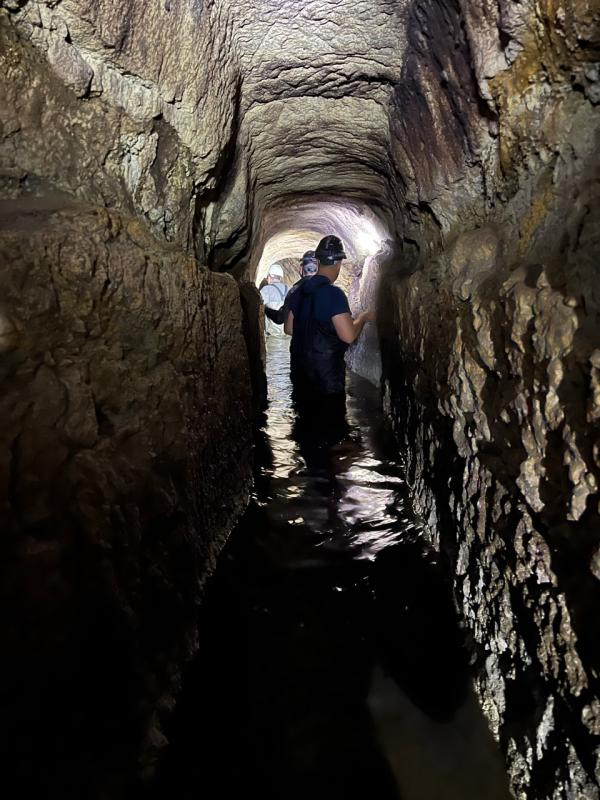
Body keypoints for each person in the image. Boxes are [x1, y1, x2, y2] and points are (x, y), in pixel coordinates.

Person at [284, 235, 373, 408]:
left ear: (317, 261)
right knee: (330, 430)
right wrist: (363, 318)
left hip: (300, 377)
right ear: (339, 263)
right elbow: (348, 336)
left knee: (303, 428)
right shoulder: (334, 294)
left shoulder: (298, 291)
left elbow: (288, 329)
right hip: (326, 381)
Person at [265, 250, 318, 327]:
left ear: (301, 269)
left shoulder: (295, 291)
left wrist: (265, 309)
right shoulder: (330, 290)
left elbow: (280, 318)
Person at [260, 263, 289, 336]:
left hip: (272, 334)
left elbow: (258, 307)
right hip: (286, 334)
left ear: (270, 276)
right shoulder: (288, 289)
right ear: (280, 277)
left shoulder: (266, 289)